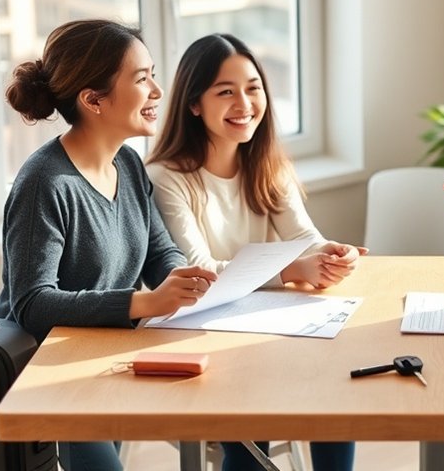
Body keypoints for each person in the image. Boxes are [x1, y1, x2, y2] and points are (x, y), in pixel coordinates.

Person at [0, 19, 217, 471]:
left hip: (108, 356)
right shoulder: (45, 182)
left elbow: (159, 251)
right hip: (54, 373)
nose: (157, 91)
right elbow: (32, 304)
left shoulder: (129, 165)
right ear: (93, 100)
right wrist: (144, 302)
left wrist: (180, 278)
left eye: (153, 74)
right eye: (141, 79)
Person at [147, 33, 364, 471]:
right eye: (225, 92)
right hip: (202, 335)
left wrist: (336, 254)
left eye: (253, 88)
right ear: (194, 104)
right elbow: (198, 272)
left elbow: (306, 237)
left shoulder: (267, 164)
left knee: (336, 397)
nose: (244, 103)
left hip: (271, 327)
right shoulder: (166, 177)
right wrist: (292, 269)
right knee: (251, 422)